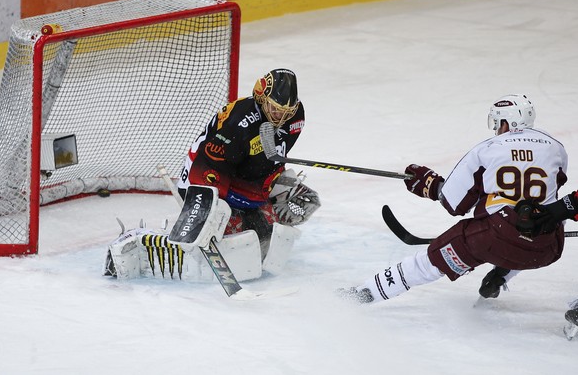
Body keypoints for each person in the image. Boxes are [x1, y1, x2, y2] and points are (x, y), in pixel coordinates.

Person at [339, 94, 572, 304]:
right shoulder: (556, 149)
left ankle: (363, 294)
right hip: (547, 248)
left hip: (490, 240)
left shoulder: (487, 149)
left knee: (427, 263)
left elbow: (453, 202)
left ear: (504, 123)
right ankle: (500, 275)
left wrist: (430, 184)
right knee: (541, 217)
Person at [103, 69, 320, 282]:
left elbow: (271, 161)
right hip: (208, 178)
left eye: (286, 112)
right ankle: (138, 240)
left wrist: (268, 188)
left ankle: (261, 219)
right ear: (261, 98)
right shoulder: (238, 122)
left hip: (252, 181)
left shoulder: (295, 117)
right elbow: (207, 167)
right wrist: (209, 210)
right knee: (224, 231)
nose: (280, 116)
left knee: (305, 201)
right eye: (275, 109)